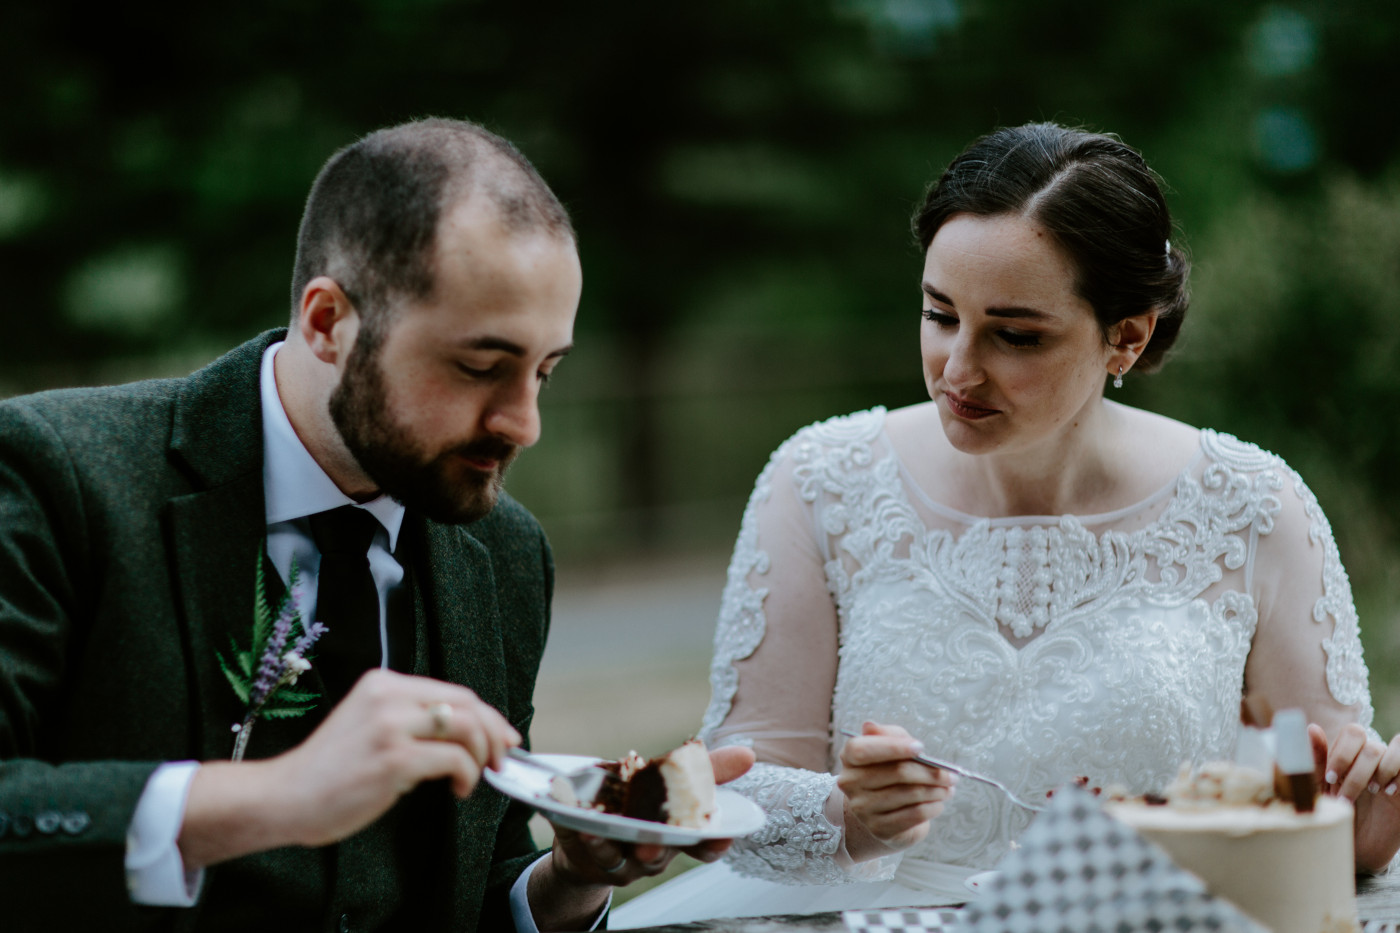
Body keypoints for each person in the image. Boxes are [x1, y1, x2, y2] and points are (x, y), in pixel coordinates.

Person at [612, 122, 1400, 927]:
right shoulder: (820, 479)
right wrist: (849, 813)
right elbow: (734, 788)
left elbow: (1329, 820)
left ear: (1126, 336)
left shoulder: (1254, 505)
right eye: (939, 314)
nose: (957, 369)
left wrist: (1373, 817)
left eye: (1015, 335)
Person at [0, 117, 750, 932]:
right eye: (479, 367)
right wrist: (271, 796)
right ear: (328, 323)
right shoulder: (56, 473)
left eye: (545, 371)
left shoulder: (504, 551)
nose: (525, 421)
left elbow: (473, 890)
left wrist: (570, 878)